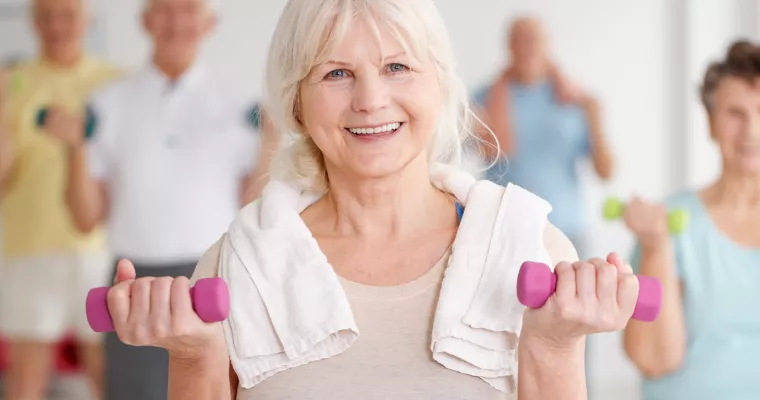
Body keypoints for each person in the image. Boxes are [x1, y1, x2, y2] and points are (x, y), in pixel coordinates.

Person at [101, 0, 641, 399]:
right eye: (337, 73)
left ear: (440, 85)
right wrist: (195, 358)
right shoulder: (236, 265)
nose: (370, 100)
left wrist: (554, 348)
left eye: (397, 67)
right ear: (295, 103)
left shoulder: (532, 249)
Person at [47, 0, 277, 398]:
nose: (176, 21)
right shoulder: (105, 102)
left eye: (188, 9)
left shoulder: (244, 103)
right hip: (134, 280)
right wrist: (75, 149)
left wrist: (271, 142)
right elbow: (85, 219)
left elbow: (253, 207)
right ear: (145, 21)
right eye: (165, 9)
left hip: (217, 278)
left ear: (209, 23)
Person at [623, 40, 760, 400]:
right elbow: (652, 359)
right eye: (736, 113)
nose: (752, 130)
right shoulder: (668, 222)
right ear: (711, 124)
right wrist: (656, 247)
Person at [0, 0, 121, 398]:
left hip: (101, 248)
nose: (57, 25)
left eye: (67, 15)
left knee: (107, 370)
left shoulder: (115, 82)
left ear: (85, 21)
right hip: (28, 247)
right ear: (34, 23)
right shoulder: (12, 82)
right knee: (26, 379)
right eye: (47, 16)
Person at [472, 16, 614, 253]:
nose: (527, 47)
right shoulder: (484, 100)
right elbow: (460, 152)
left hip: (567, 231)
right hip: (504, 233)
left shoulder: (574, 101)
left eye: (534, 40)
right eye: (520, 40)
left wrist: (597, 122)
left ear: (548, 45)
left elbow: (606, 172)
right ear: (509, 47)